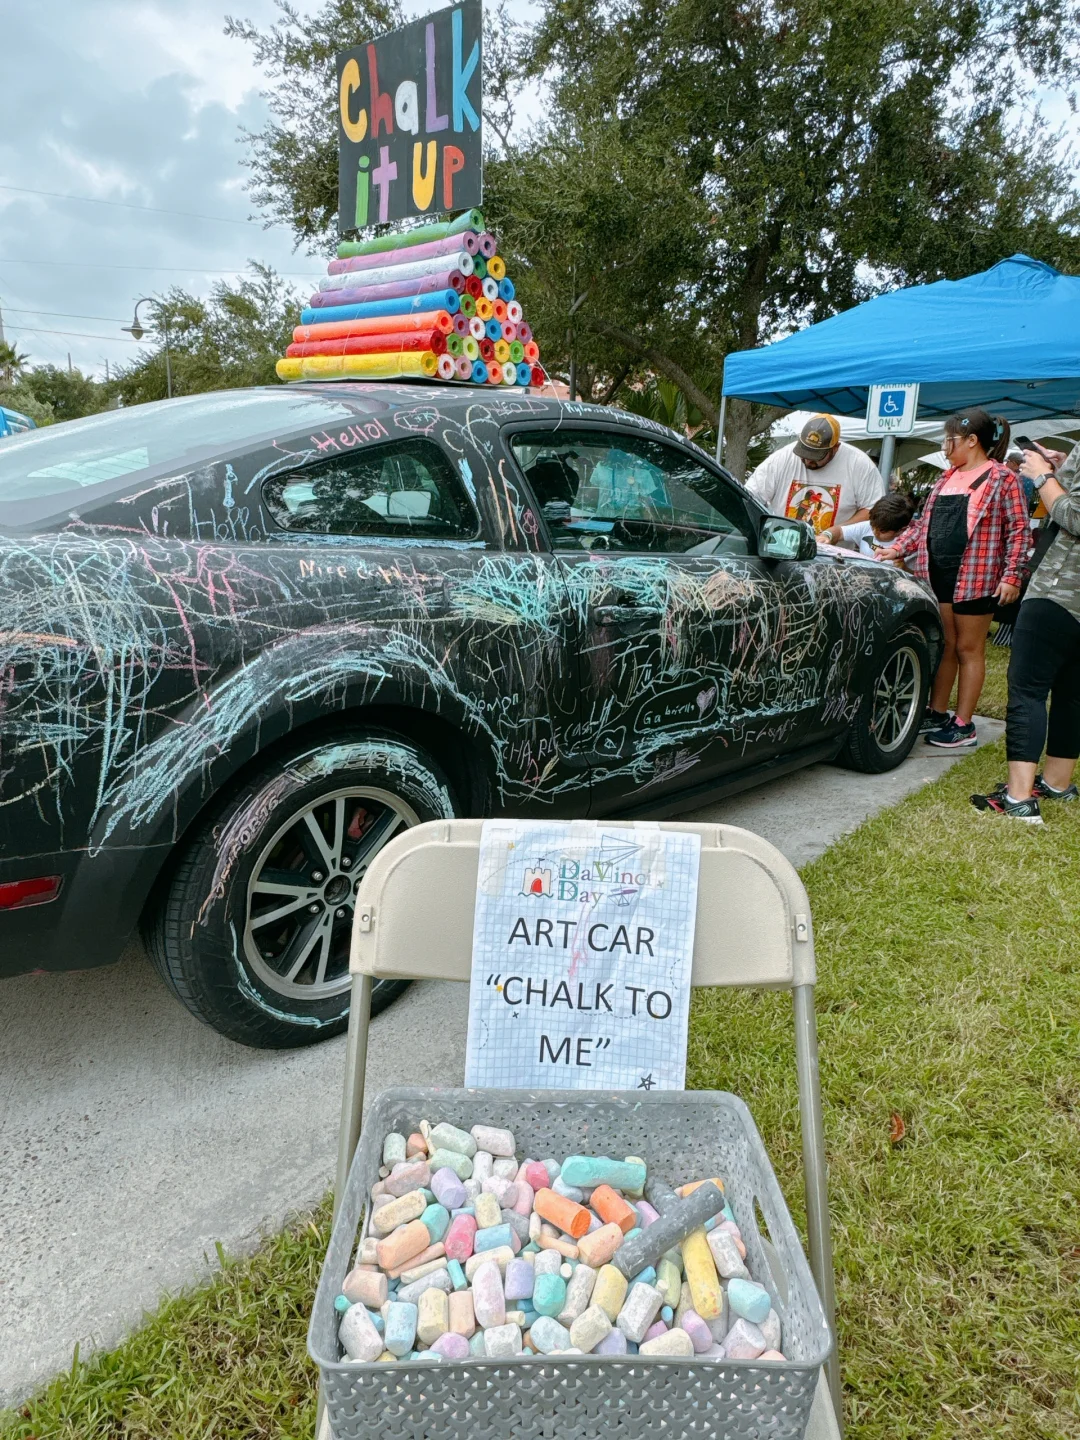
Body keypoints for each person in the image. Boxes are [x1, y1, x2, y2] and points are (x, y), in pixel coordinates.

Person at [878, 409, 1030, 749]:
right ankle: (937, 711)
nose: (946, 448)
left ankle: (964, 725)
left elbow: (1020, 532)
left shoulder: (1003, 478)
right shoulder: (947, 477)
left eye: (950, 440)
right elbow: (922, 526)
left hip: (977, 577)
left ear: (972, 441)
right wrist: (895, 548)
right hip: (940, 575)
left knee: (968, 648)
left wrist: (1012, 576)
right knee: (946, 645)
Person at [970, 439, 1080, 822]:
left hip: (1059, 590)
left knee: (1027, 690)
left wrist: (1043, 476)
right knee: (1071, 694)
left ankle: (1019, 798)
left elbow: (1077, 517)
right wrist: (1066, 464)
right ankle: (1056, 783)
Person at [746, 413, 885, 533]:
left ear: (835, 448)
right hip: (780, 547)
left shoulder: (859, 464)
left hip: (832, 556)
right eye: (804, 453)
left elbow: (873, 509)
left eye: (816, 456)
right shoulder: (781, 459)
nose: (808, 461)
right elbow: (750, 496)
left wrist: (838, 531)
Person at [817, 490, 916, 557]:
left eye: (881, 531)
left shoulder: (914, 543)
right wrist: (826, 536)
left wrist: (904, 568)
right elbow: (839, 531)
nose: (874, 532)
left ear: (901, 530)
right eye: (873, 527)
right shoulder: (869, 526)